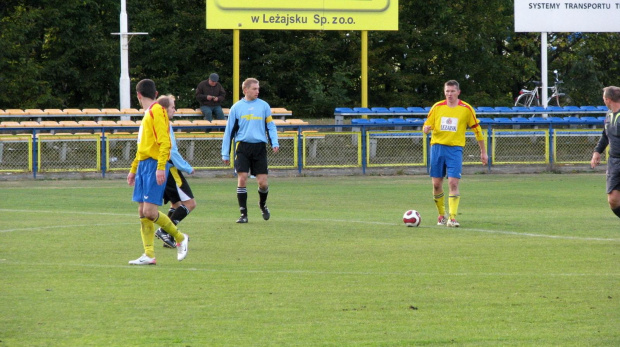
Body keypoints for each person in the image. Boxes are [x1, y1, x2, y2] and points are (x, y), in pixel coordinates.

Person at [127, 79, 189, 265]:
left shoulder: (157, 111)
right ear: (155, 93)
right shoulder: (148, 114)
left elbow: (165, 142)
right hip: (143, 166)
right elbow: (142, 146)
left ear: (138, 95)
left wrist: (161, 166)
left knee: (150, 211)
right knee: (142, 211)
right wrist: (133, 169)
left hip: (154, 165)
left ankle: (180, 238)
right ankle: (149, 255)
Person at [423, 80, 488, 227]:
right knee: (436, 184)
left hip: (455, 149)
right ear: (444, 92)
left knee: (453, 182)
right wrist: (426, 128)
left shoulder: (466, 109)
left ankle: (452, 218)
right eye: (447, 91)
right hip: (437, 148)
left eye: (452, 91)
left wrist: (483, 152)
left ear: (458, 92)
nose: (449, 94)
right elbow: (428, 124)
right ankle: (442, 214)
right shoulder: (437, 107)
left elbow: (477, 130)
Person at [221, 77, 279, 223]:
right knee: (242, 178)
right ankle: (243, 215)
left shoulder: (264, 106)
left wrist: (274, 142)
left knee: (263, 183)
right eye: (254, 89)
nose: (257, 91)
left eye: (258, 89)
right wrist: (225, 152)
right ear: (245, 90)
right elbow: (229, 132)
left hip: (259, 147)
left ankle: (262, 204)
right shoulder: (236, 108)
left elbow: (270, 126)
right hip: (243, 147)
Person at [154, 95, 198, 248]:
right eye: (173, 107)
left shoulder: (158, 123)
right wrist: (187, 167)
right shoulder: (164, 124)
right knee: (190, 204)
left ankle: (170, 236)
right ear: (164, 109)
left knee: (176, 204)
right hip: (170, 169)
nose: (175, 109)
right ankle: (165, 231)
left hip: (162, 168)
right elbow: (171, 151)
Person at [590, 86, 620, 219]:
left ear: (608, 99)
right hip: (614, 162)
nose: (603, 101)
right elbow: (605, 135)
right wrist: (597, 151)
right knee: (613, 200)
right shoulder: (608, 115)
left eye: (603, 99)